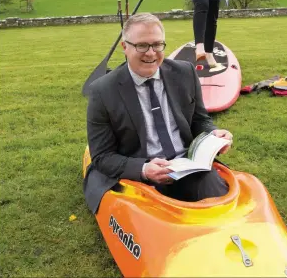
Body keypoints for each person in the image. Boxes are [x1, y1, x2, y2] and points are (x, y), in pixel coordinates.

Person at [84, 13, 233, 214]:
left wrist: (213, 134)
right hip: (139, 174)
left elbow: (199, 119)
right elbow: (102, 156)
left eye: (157, 45)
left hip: (187, 166)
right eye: (142, 46)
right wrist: (144, 169)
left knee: (220, 207)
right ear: (125, 47)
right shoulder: (102, 91)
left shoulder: (186, 73)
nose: (151, 53)